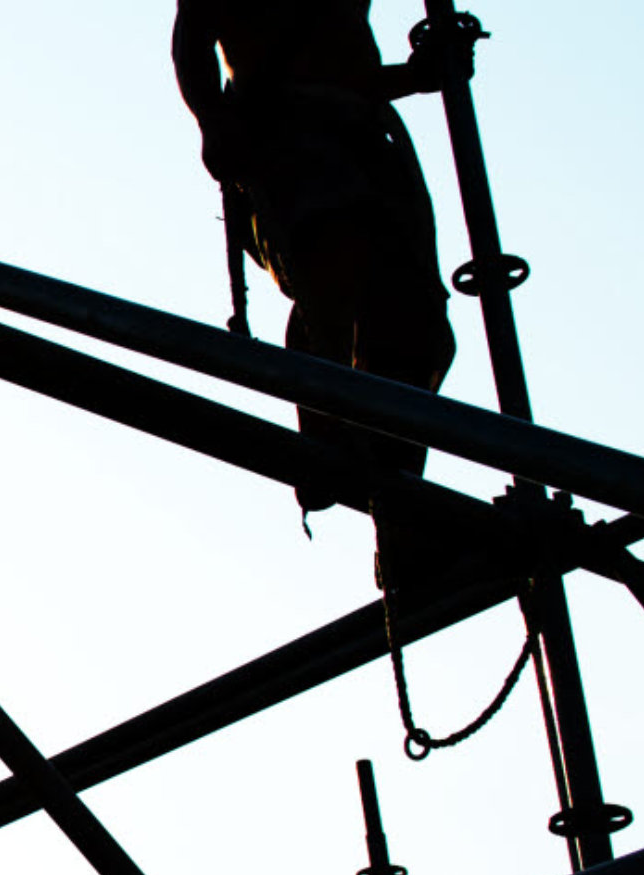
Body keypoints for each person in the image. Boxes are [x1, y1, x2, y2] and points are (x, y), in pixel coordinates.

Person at [173, 0, 474, 588]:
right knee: (340, 286)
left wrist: (415, 77)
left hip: (365, 143)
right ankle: (334, 442)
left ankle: (400, 524)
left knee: (420, 335)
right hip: (292, 148)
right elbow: (194, 34)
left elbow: (343, 68)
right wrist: (213, 119)